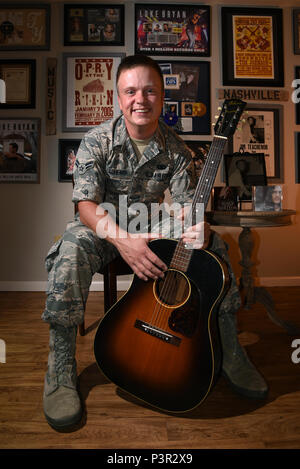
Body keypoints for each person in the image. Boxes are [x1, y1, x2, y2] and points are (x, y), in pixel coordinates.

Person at [42, 55, 268, 430]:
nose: (140, 99)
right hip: (104, 227)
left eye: (150, 91)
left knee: (215, 246)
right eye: (131, 91)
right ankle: (60, 365)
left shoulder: (178, 150)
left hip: (149, 224)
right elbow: (85, 206)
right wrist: (124, 241)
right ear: (118, 98)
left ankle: (229, 350)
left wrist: (199, 230)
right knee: (70, 246)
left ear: (162, 98)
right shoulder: (96, 140)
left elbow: (183, 211)